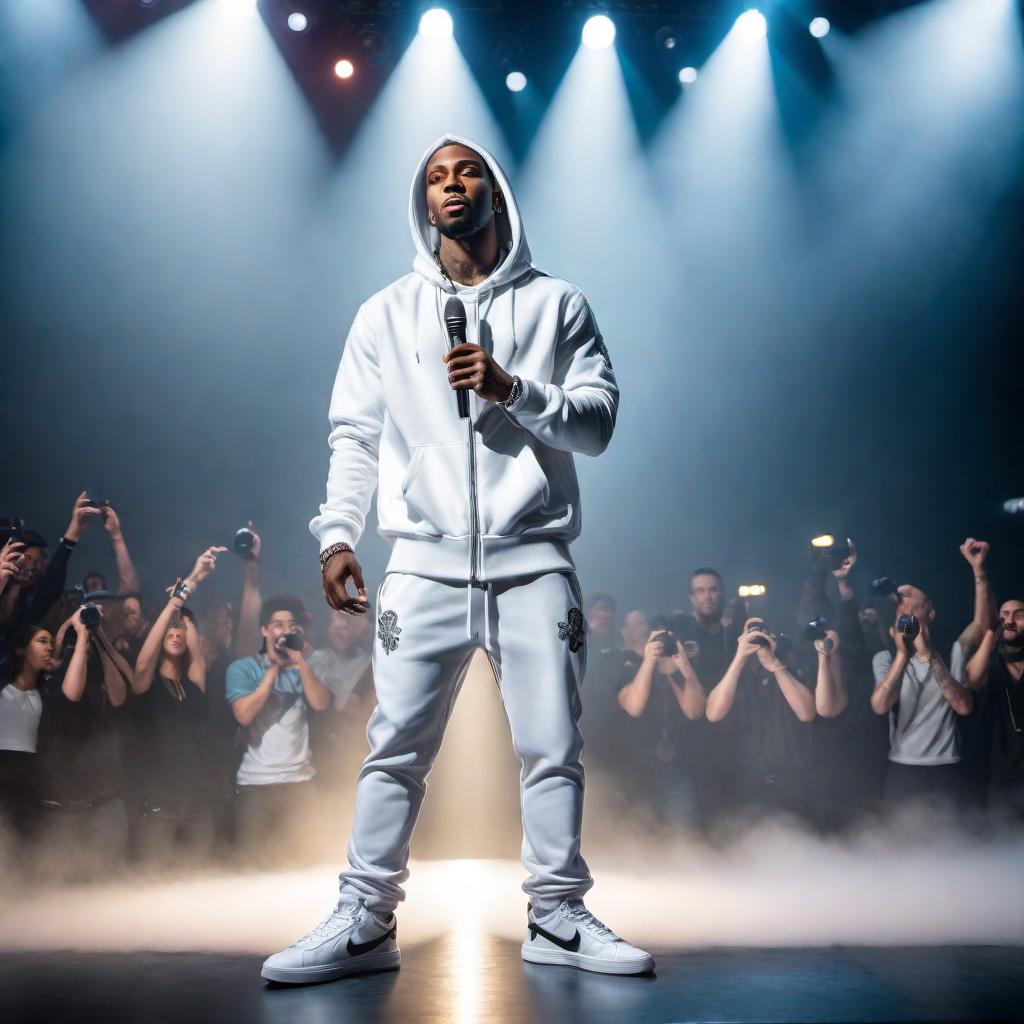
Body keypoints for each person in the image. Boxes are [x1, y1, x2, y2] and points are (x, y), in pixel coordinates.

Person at [263, 135, 651, 984]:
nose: (451, 185)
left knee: (553, 745)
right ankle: (365, 920)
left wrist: (515, 390)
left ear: (498, 193)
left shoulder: (559, 304)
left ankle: (557, 916)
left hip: (533, 558)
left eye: (467, 170)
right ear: (421, 200)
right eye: (436, 176)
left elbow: (598, 423)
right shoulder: (385, 312)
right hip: (423, 562)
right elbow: (355, 437)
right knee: (393, 745)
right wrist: (336, 536)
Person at [128, 547, 225, 865]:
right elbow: (144, 657)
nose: (176, 632)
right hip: (159, 809)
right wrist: (184, 589)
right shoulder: (147, 682)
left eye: (181, 628)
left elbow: (194, 647)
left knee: (198, 887)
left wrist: (186, 598)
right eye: (169, 629)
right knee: (151, 890)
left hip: (198, 806)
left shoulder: (193, 682)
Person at [226, 595, 331, 860]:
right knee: (252, 867)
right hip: (256, 786)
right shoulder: (243, 668)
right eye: (278, 625)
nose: (285, 630)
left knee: (306, 865)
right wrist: (274, 668)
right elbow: (243, 715)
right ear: (264, 630)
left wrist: (299, 661)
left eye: (291, 625)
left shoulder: (304, 669)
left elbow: (321, 703)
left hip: (300, 784)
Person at [705, 617, 818, 821]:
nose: (757, 637)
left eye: (762, 631)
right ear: (741, 638)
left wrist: (774, 663)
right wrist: (740, 658)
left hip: (791, 784)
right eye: (752, 631)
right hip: (746, 784)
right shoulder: (732, 673)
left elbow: (806, 712)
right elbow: (713, 713)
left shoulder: (788, 668)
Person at [870, 585, 973, 808]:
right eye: (900, 605)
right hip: (902, 767)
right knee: (900, 839)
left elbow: (964, 706)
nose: (904, 602)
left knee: (951, 837)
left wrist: (929, 654)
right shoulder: (885, 657)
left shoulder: (951, 651)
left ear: (930, 612)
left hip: (946, 766)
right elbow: (880, 705)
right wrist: (901, 655)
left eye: (912, 602)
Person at [616, 625, 707, 827]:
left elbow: (694, 711)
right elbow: (634, 706)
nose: (662, 646)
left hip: (678, 774)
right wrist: (649, 661)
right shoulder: (632, 668)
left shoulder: (686, 672)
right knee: (640, 840)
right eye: (658, 640)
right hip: (639, 774)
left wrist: (682, 666)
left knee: (682, 839)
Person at [963, 595, 1024, 820]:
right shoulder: (991, 661)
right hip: (998, 775)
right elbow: (972, 678)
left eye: (1019, 615)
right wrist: (989, 634)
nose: (1010, 620)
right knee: (1000, 844)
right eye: (1005, 615)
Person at [0, 624, 56, 837]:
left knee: (27, 835)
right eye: (42, 641)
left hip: (30, 771)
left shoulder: (46, 693)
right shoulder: (3, 683)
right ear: (20, 649)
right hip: (2, 764)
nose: (49, 648)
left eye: (51, 643)